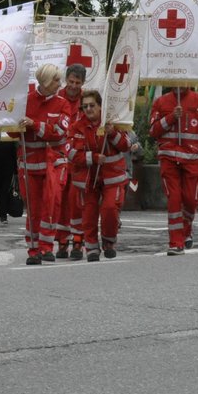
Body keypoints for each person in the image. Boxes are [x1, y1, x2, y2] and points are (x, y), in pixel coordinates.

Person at [148, 83, 198, 256]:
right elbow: (153, 131)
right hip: (168, 158)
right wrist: (171, 117)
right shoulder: (160, 102)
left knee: (191, 198)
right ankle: (175, 242)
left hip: (192, 160)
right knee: (174, 198)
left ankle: (186, 228)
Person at [72, 90, 134, 260]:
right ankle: (91, 248)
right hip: (88, 177)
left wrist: (112, 132)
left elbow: (127, 145)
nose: (88, 109)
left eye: (92, 105)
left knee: (109, 209)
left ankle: (109, 241)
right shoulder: (77, 127)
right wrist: (92, 158)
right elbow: (71, 153)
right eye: (85, 106)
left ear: (100, 106)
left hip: (112, 176)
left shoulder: (113, 121)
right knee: (89, 214)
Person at [19, 63, 69, 265]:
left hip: (53, 162)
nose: (60, 84)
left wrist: (35, 125)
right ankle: (33, 250)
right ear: (46, 81)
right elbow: (12, 131)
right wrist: (19, 125)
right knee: (33, 208)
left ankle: (47, 247)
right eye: (56, 80)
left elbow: (59, 132)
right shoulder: (26, 100)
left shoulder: (62, 104)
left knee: (52, 203)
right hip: (29, 162)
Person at [52, 63, 86, 259]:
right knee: (60, 201)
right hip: (59, 157)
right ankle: (62, 241)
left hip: (79, 159)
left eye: (78, 82)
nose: (73, 86)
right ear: (66, 80)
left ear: (83, 82)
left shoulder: (87, 101)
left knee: (78, 202)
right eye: (71, 81)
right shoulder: (57, 98)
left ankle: (78, 241)